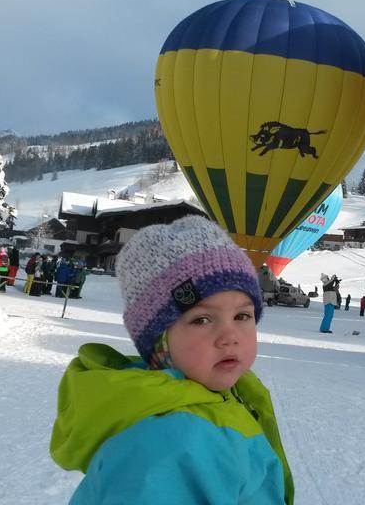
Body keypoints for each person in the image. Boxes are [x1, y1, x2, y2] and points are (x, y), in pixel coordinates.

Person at [49, 215, 294, 504]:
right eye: (202, 320)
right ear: (159, 344)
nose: (230, 337)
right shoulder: (175, 441)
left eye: (242, 316)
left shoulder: (221, 399)